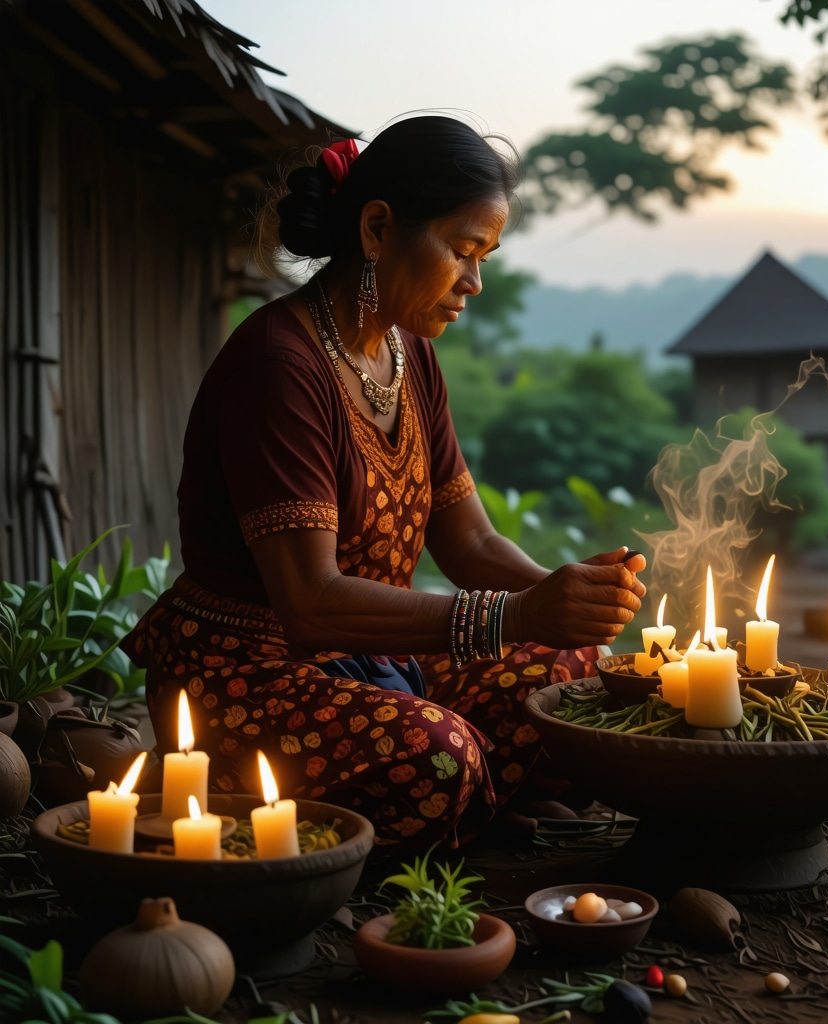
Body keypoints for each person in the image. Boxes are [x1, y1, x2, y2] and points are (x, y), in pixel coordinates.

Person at [122, 113, 646, 856]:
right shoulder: (280, 365)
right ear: (376, 229)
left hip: (378, 666)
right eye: (464, 251)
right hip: (247, 676)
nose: (476, 281)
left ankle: (473, 807)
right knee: (440, 757)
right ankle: (473, 797)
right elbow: (310, 604)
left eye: (485, 255)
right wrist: (520, 612)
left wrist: (566, 608)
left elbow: (467, 539)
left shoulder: (408, 354)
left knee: (569, 670)